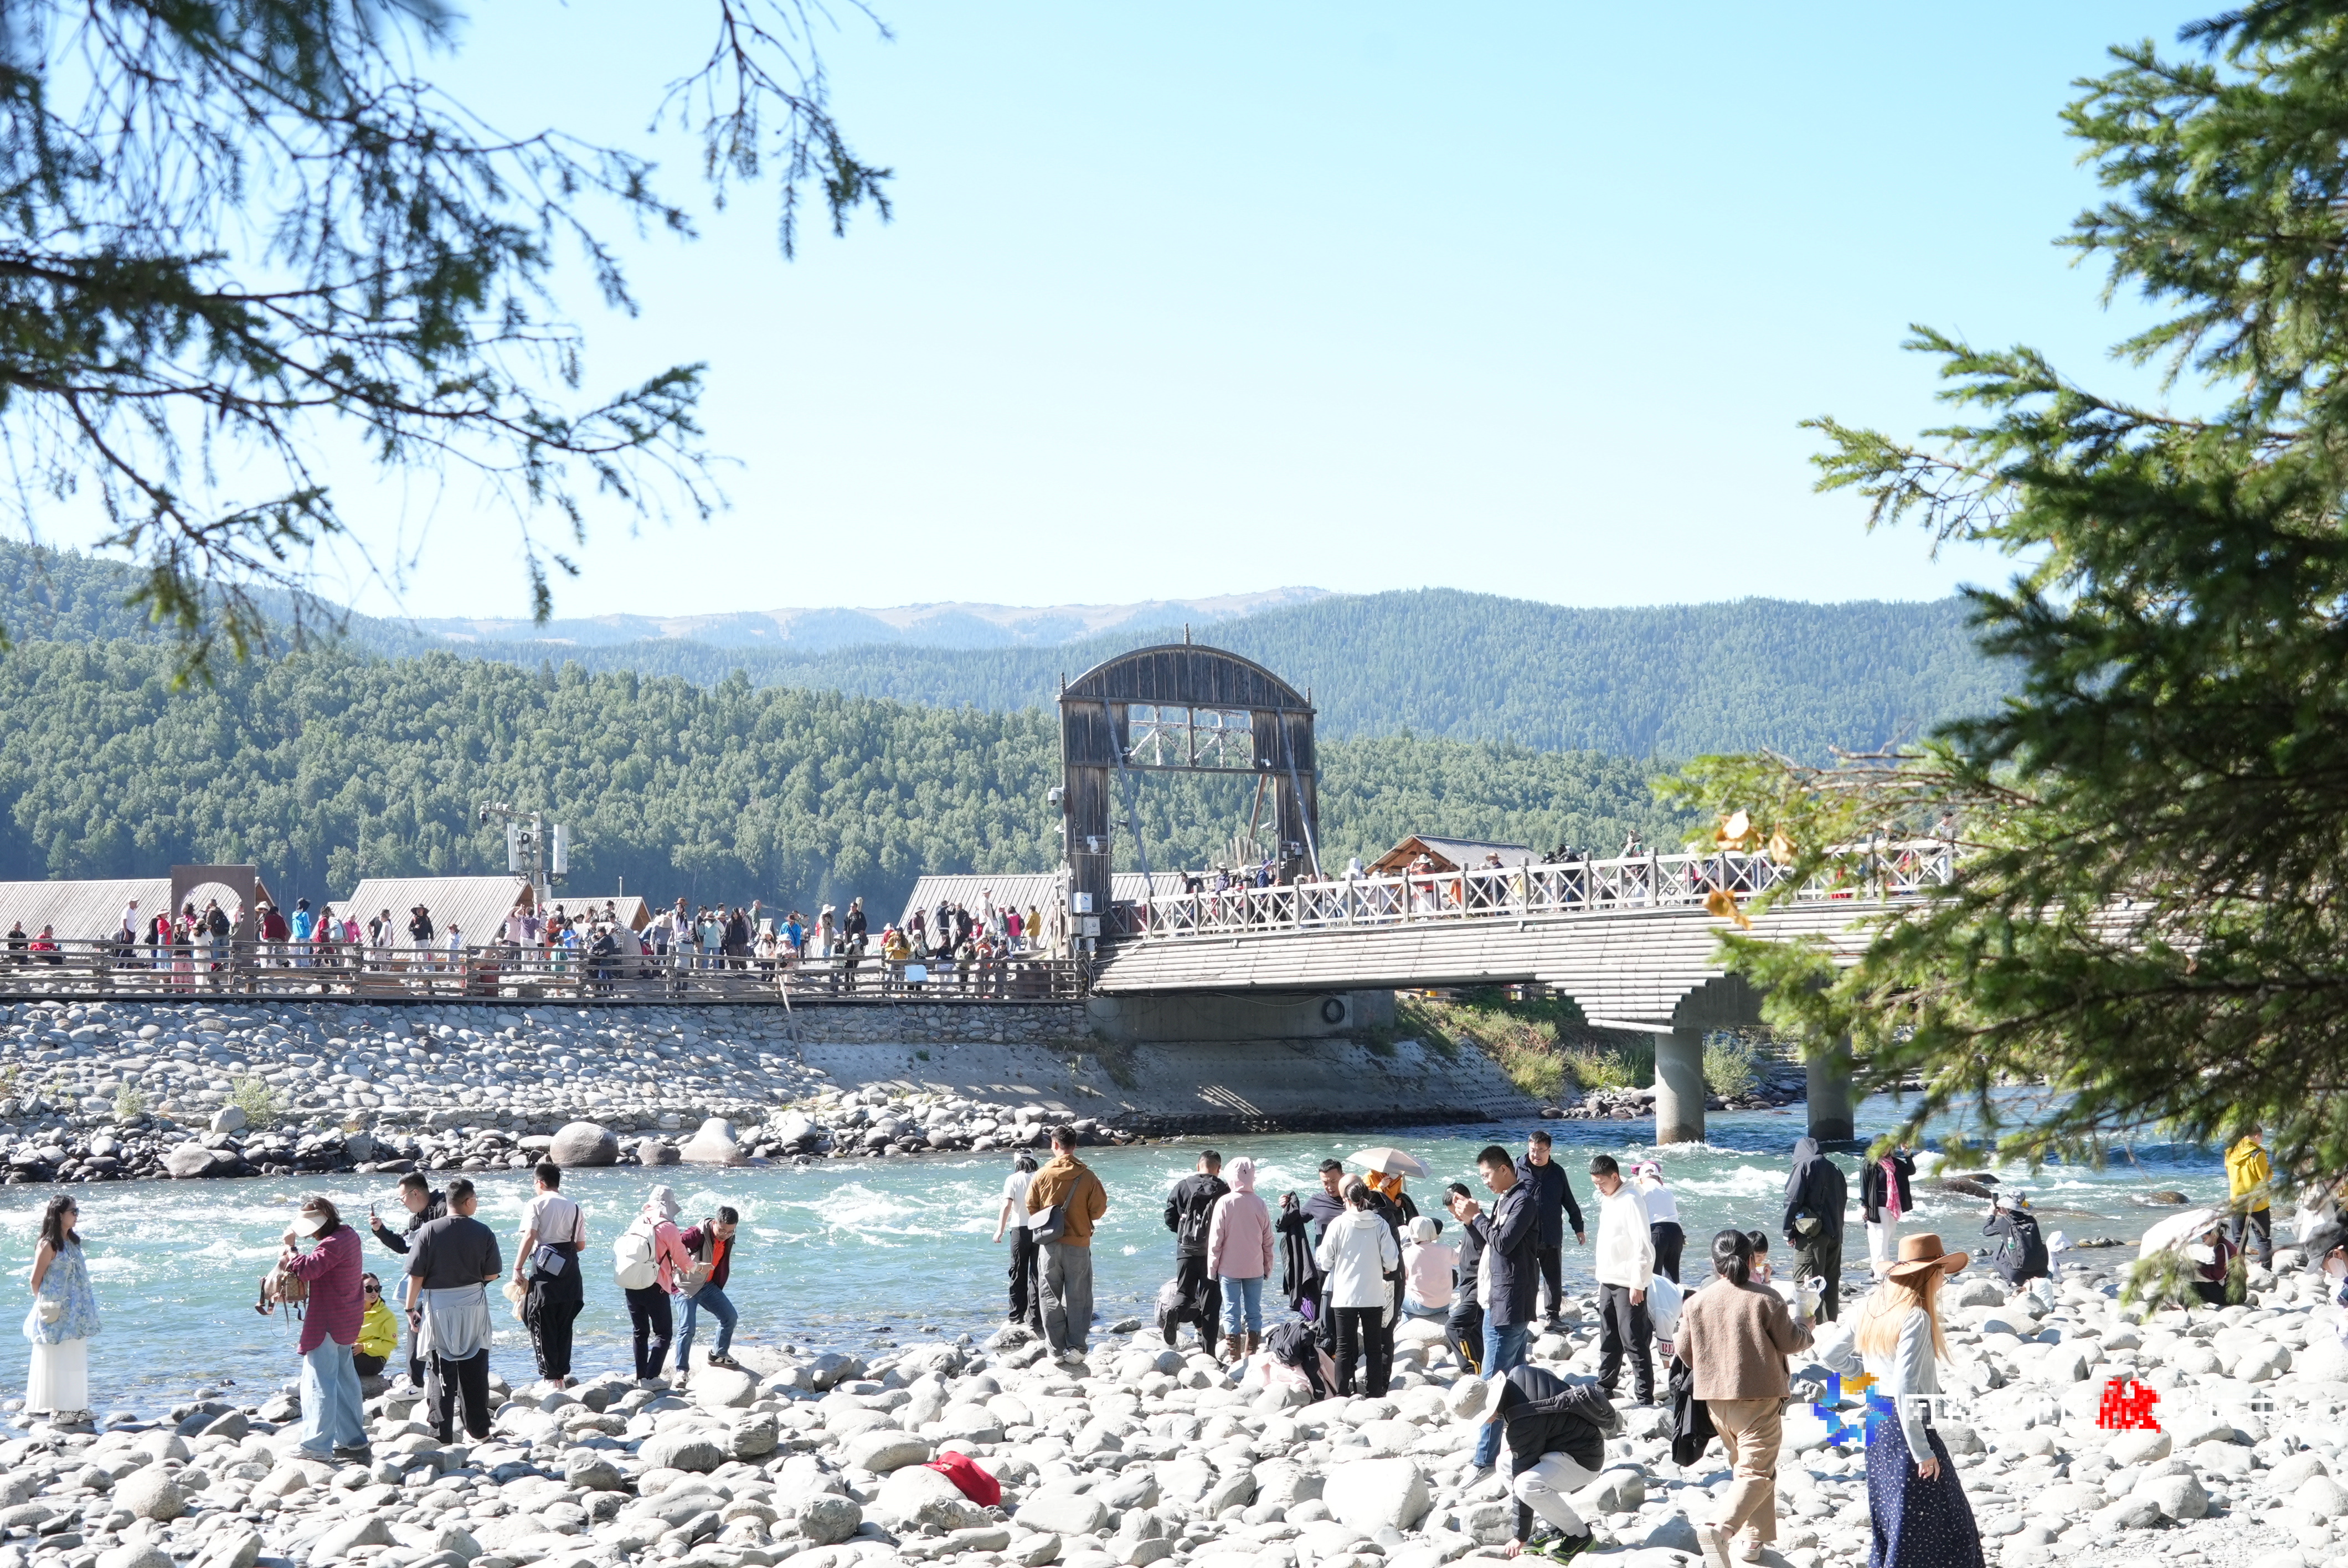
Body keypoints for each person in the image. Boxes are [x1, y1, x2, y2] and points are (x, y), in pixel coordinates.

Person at [1679, 1230, 1814, 1568]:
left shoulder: (1696, 1301)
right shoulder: (1766, 1298)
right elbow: (1791, 1342)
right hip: (1758, 1399)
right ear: (1752, 1259)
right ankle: (1720, 1529)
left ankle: (1754, 1542)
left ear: (1715, 1263)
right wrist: (1806, 1327)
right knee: (1756, 1473)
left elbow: (1685, 1352)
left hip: (1716, 1401)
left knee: (1747, 1468)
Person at [1853, 1235, 1985, 1568]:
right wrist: (1922, 1451)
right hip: (1906, 1424)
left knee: (1893, 1513)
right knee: (1947, 1518)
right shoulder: (1915, 1317)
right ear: (1929, 1274)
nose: (1943, 1280)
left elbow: (1831, 1353)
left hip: (1877, 1418)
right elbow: (1904, 1387)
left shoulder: (1871, 1308)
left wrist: (1870, 1378)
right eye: (1942, 1272)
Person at [1478, 1361, 1617, 1562]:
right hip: (1571, 1447)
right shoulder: (1520, 1374)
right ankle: (1551, 1527)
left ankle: (1580, 1536)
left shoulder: (1522, 1421)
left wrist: (1520, 1536)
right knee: (1504, 1463)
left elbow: (1521, 1475)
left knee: (1526, 1485)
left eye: (1480, 1416)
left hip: (1583, 1462)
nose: (1483, 1422)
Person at [405, 1178, 503, 1442]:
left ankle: (442, 1435)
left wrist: (410, 1309)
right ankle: (479, 1432)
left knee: (439, 1370)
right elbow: (492, 1274)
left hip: (439, 1306)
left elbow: (416, 1276)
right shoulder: (483, 1231)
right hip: (473, 1305)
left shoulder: (429, 1230)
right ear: (468, 1202)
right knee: (475, 1368)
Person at [280, 1195, 369, 1462]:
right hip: (347, 1317)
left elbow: (307, 1270)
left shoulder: (331, 1244)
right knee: (344, 1381)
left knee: (318, 1383)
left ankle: (316, 1446)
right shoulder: (349, 1235)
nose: (311, 1235)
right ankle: (353, 1440)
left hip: (328, 1320)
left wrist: (291, 1248)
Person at [1471, 1144, 1542, 1471]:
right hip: (1500, 1299)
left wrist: (1477, 1217)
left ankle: (1484, 1461)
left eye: (1487, 1175)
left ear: (1503, 1169)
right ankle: (1525, 1448)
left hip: (1509, 1302)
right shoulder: (1505, 1198)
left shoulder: (1523, 1200)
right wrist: (1472, 1220)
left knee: (1493, 1385)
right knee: (1515, 1383)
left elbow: (1502, 1242)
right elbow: (1493, 1241)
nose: (1485, 1181)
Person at [1026, 1124, 1109, 1363]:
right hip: (1079, 1243)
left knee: (1049, 1296)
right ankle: (1077, 1348)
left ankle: (1055, 1350)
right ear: (1075, 1146)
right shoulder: (1088, 1176)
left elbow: (1031, 1207)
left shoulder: (1042, 1174)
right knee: (1079, 1296)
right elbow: (1098, 1210)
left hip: (1049, 1243)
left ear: (1054, 1144)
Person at [1315, 1176, 1401, 1396]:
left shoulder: (1338, 1224)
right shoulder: (1380, 1224)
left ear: (1346, 1200)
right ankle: (1375, 1393)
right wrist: (1385, 1267)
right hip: (1373, 1294)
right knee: (1374, 1348)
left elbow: (1325, 1262)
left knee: (1344, 1348)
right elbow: (1392, 1260)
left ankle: (1342, 1394)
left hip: (1345, 1295)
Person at [24, 1195, 98, 1425]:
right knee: (58, 1358)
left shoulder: (73, 1242)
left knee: (75, 1356)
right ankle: (59, 1409)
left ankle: (77, 1406)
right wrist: (45, 1306)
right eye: (73, 1211)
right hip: (56, 1312)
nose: (76, 1215)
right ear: (59, 1214)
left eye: (77, 1211)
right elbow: (35, 1280)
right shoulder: (49, 1244)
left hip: (77, 1311)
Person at [1590, 1154, 1657, 1404]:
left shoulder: (1631, 1200)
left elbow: (1644, 1244)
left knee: (1633, 1339)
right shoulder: (1609, 1199)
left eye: (1602, 1183)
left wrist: (1638, 1283)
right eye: (1595, 1183)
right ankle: (1604, 1387)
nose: (1599, 1188)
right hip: (1607, 1278)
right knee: (1608, 1336)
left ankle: (1644, 1396)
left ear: (1615, 1177)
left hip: (1629, 1282)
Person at [514, 1160, 586, 1389]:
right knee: (564, 1324)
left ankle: (550, 1379)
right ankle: (561, 1378)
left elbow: (530, 1236)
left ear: (540, 1182)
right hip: (570, 1271)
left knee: (540, 1319)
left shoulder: (535, 1204)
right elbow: (580, 1245)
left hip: (545, 1272)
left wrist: (517, 1268)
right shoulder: (575, 1207)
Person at [369, 1172, 446, 1384]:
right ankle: (416, 1382)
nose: (402, 1202)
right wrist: (380, 1230)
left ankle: (432, 1383)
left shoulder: (444, 1207)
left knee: (431, 1334)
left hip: (445, 1284)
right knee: (416, 1326)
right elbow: (404, 1246)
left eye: (402, 1198)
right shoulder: (417, 1218)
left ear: (415, 1193)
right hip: (425, 1284)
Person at [616, 1186, 693, 1386]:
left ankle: (641, 1377)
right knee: (664, 1333)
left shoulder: (637, 1221)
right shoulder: (668, 1227)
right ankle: (652, 1377)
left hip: (631, 1282)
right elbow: (682, 1260)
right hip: (655, 1284)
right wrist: (698, 1268)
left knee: (639, 1332)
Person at [1207, 1155, 1275, 1360]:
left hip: (1229, 1269)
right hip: (1255, 1268)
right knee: (1254, 1313)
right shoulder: (1260, 1203)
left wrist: (1212, 1269)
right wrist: (1268, 1267)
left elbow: (1216, 1240)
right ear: (1252, 1177)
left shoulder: (1225, 1202)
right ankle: (1251, 1355)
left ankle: (1235, 1358)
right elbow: (1268, 1240)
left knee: (1231, 1313)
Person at [1516, 1131, 1587, 1330]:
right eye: (1532, 1150)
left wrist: (1578, 1228)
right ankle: (1525, 1317)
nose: (1536, 1154)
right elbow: (1505, 1200)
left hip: (1551, 1233)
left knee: (1553, 1279)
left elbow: (1569, 1201)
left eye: (1541, 1150)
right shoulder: (1517, 1170)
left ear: (1549, 1150)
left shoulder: (1557, 1172)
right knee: (1527, 1279)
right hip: (1525, 1236)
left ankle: (1553, 1317)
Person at [1163, 1150, 1230, 1354]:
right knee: (1211, 1305)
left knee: (1185, 1293)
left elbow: (1169, 1217)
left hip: (1186, 1250)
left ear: (1198, 1166)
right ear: (1219, 1169)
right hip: (1215, 1253)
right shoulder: (1225, 1190)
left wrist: (1184, 1234)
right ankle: (1209, 1354)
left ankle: (1175, 1312)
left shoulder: (1182, 1186)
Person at [1783, 1137, 1848, 1322]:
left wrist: (1788, 1232)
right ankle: (1830, 1327)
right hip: (1835, 1235)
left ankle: (1810, 1331)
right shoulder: (1836, 1169)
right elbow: (1842, 1201)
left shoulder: (1804, 1166)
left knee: (1808, 1284)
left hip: (1811, 1237)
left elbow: (1792, 1200)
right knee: (1830, 1284)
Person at [676, 1206, 743, 1380]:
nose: (725, 1235)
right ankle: (681, 1371)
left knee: (730, 1318)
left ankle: (718, 1355)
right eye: (722, 1230)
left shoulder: (729, 1236)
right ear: (715, 1223)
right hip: (686, 1286)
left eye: (730, 1231)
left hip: (707, 1285)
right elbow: (672, 1249)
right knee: (687, 1329)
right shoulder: (696, 1234)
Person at [993, 1152, 1042, 1329]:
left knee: (1017, 1273)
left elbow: (1007, 1205)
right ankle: (1035, 1318)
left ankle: (1016, 1316)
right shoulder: (1041, 1176)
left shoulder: (1012, 1179)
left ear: (1017, 1163)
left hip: (1019, 1230)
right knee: (1037, 1274)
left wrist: (1000, 1230)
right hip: (1040, 1228)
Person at [1444, 1182, 1489, 1373]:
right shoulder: (1469, 1225)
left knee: (1454, 1327)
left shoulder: (1480, 1225)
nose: (1455, 1215)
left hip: (1478, 1290)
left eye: (1456, 1210)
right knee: (1475, 1332)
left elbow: (1491, 1248)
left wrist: (1472, 1220)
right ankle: (1483, 1371)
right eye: (1451, 1212)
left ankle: (1471, 1369)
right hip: (1468, 1288)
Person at [1861, 1143, 1916, 1272]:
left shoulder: (1895, 1163)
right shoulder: (1870, 1165)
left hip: (1893, 1205)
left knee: (1888, 1237)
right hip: (1877, 1206)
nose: (1885, 1149)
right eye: (1882, 1146)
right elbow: (1864, 1186)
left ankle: (1876, 1267)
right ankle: (1881, 1272)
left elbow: (1911, 1171)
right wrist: (1864, 1206)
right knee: (1880, 1238)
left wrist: (1907, 1154)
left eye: (1887, 1146)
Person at [1981, 1195, 2050, 1291]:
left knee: (1996, 1256)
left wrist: (1992, 1216)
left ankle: (2013, 1285)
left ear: (2006, 1207)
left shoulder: (2003, 1222)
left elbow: (1986, 1231)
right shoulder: (2031, 1220)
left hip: (2018, 1276)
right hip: (2041, 1273)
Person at [2227, 1128, 2274, 1265]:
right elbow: (2264, 1177)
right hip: (2257, 1201)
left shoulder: (2231, 1152)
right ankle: (2266, 1269)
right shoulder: (2258, 1153)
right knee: (2263, 1238)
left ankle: (2236, 1269)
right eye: (2262, 1137)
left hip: (2237, 1200)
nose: (2262, 1140)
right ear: (2257, 1136)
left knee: (2238, 1239)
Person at [1633, 1160, 1683, 1283]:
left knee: (1653, 1277)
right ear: (1658, 1178)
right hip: (1676, 1232)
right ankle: (1675, 1295)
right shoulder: (1667, 1191)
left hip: (1657, 1232)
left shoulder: (1641, 1190)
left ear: (1641, 1179)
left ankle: (1655, 1296)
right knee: (1673, 1277)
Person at [1402, 1215, 1457, 1319]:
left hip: (1421, 1307)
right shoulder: (1445, 1249)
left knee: (1398, 1293)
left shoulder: (1408, 1253)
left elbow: (1401, 1278)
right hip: (1444, 1305)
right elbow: (1459, 1259)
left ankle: (1406, 1323)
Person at [354, 1274, 399, 1376]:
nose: (374, 1292)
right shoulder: (350, 1310)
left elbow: (391, 1343)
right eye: (369, 1289)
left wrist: (364, 1347)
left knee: (346, 1362)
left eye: (377, 1289)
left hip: (375, 1358)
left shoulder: (387, 1315)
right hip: (352, 1351)